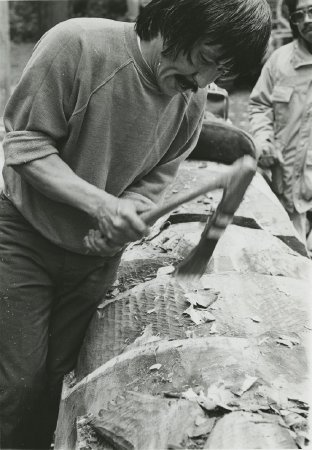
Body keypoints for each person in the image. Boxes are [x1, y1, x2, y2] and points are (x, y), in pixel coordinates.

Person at [0, 0, 271, 448]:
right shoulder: (77, 45)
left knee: (61, 379)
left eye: (218, 71)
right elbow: (25, 146)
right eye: (204, 58)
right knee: (16, 383)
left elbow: (157, 177)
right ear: (174, 23)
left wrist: (129, 213)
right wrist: (102, 205)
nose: (203, 82)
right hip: (24, 236)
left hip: (94, 259)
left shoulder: (191, 98)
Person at [249, 0, 312, 246]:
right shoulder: (279, 61)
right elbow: (260, 105)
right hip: (287, 184)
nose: (306, 20)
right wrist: (263, 141)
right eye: (299, 15)